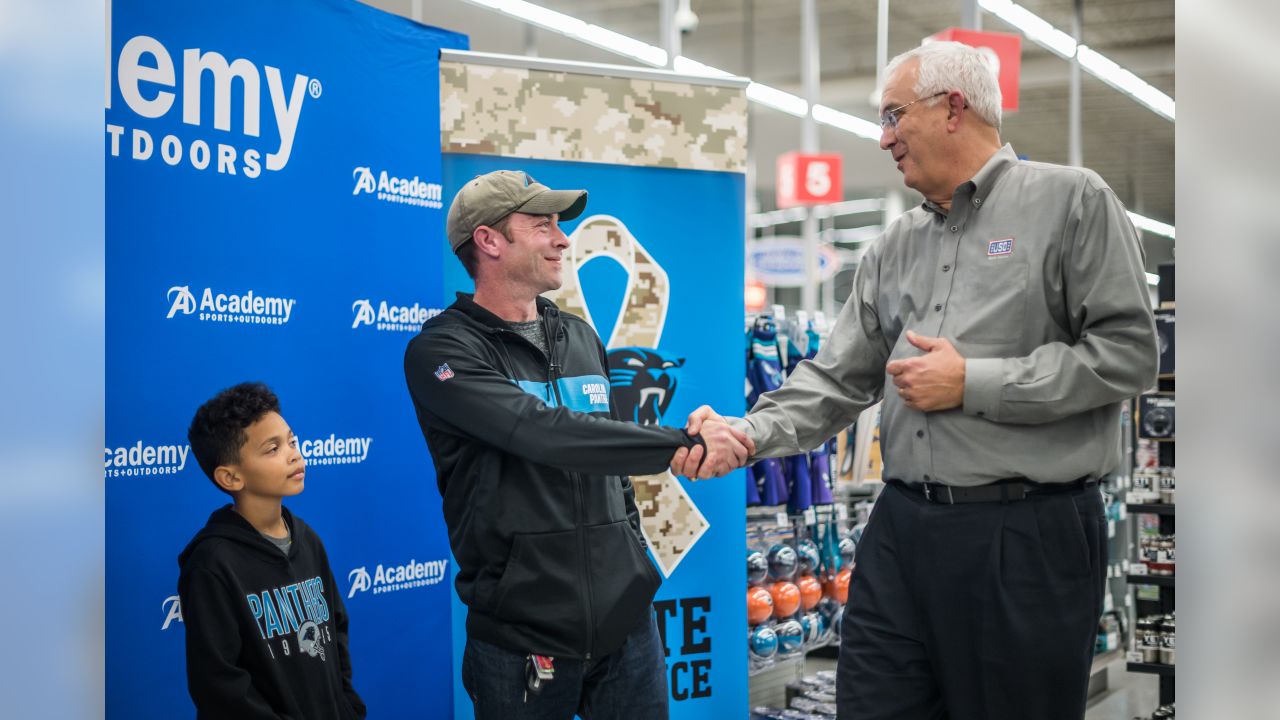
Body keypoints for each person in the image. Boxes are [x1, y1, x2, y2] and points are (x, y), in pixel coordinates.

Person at [677, 41, 1158, 719]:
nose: (884, 139)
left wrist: (975, 383)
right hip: (902, 528)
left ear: (953, 108)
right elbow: (838, 377)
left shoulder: (1071, 201)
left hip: (1025, 534)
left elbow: (1131, 353)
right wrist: (747, 433)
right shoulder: (894, 245)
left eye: (894, 116)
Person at [404, 170, 752, 720]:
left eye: (559, 226)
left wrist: (634, 557)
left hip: (626, 625)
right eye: (542, 225)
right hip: (521, 638)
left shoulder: (579, 335)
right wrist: (680, 443)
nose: (563, 239)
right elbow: (543, 433)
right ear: (489, 241)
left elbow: (608, 466)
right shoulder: (441, 351)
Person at [178, 382, 365, 720]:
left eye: (292, 441)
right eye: (273, 448)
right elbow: (218, 684)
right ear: (231, 477)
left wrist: (347, 707)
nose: (294, 453)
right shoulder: (212, 563)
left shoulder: (308, 540)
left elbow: (335, 634)